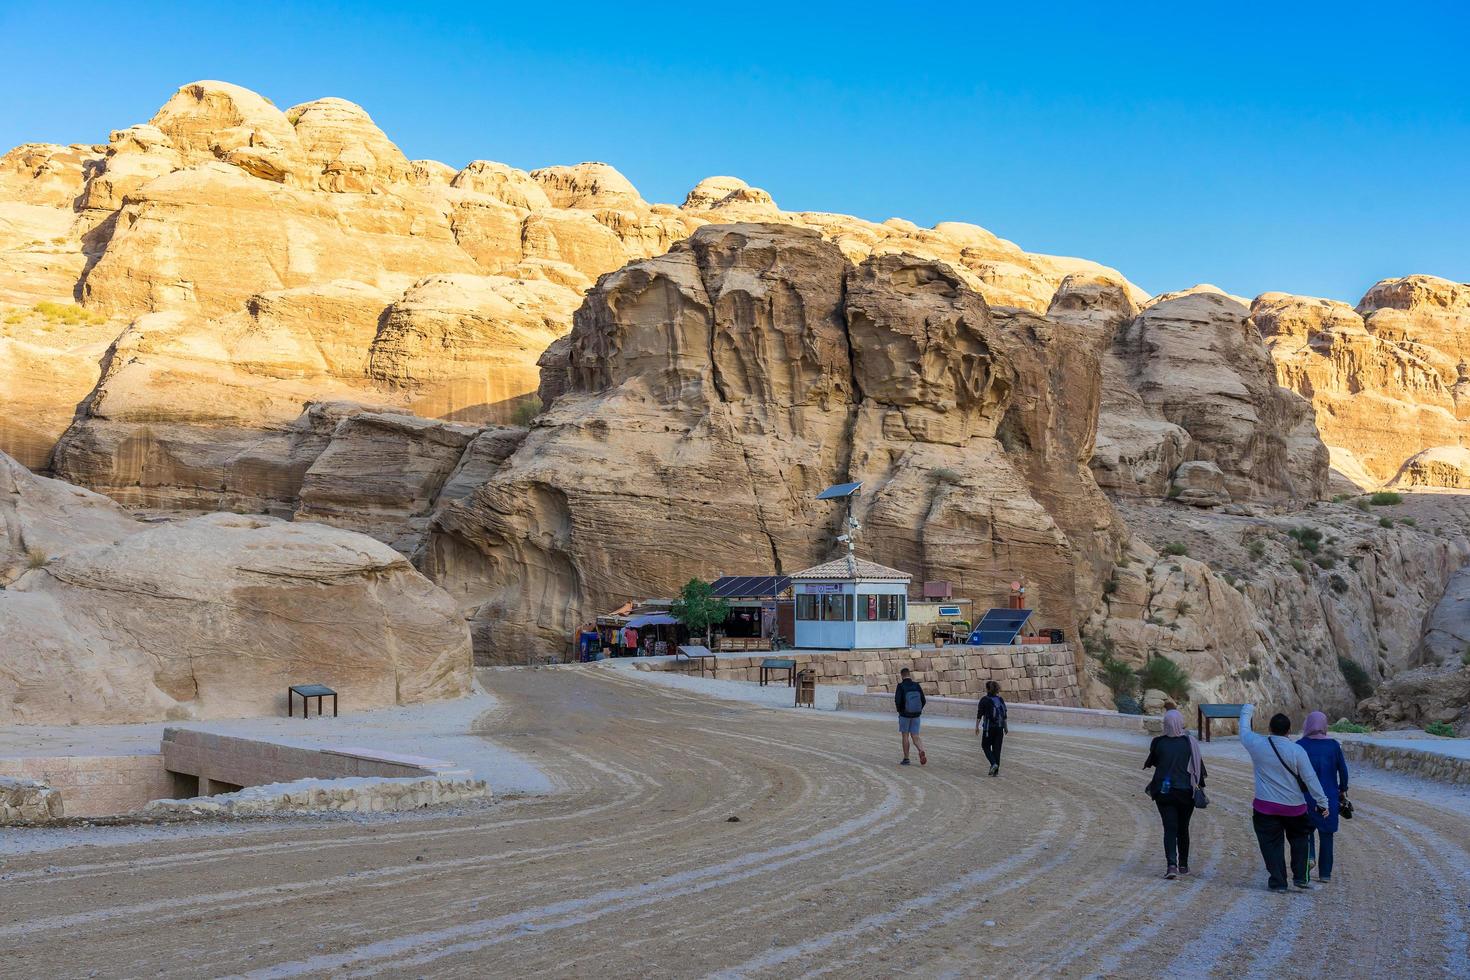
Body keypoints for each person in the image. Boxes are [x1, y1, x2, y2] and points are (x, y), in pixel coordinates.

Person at [1239, 704, 1329, 892]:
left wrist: (1247, 709)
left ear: (1270, 729)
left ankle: (1279, 882)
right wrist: (1322, 802)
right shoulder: (1297, 751)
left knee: (1271, 845)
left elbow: (1244, 730)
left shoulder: (1256, 744)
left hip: (1265, 808)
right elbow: (1310, 778)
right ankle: (1300, 878)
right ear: (1289, 731)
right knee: (1300, 841)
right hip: (1294, 808)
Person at [1143, 709, 1207, 879]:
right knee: (1183, 828)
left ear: (1166, 724)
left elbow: (1153, 762)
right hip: (1186, 793)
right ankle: (1184, 866)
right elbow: (1199, 769)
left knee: (1169, 828)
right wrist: (1201, 788)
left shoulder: (1158, 742)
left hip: (1164, 793)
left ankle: (1171, 866)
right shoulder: (1190, 742)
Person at [1298, 710, 1350, 882]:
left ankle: (1310, 856)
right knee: (1327, 835)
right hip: (1329, 797)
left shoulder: (1300, 745)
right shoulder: (1333, 745)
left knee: (1306, 830)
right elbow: (1343, 770)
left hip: (1305, 796)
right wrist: (1343, 789)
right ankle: (1325, 874)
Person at [894, 667, 927, 766]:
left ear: (902, 675)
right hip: (916, 714)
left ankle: (906, 758)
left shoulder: (901, 686)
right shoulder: (916, 685)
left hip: (905, 715)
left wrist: (900, 711)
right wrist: (918, 710)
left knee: (905, 736)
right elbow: (923, 700)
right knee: (915, 736)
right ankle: (921, 750)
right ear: (909, 674)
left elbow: (898, 701)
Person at [975, 680, 1008, 776]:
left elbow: (979, 714)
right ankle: (995, 772)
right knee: (997, 749)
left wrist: (977, 726)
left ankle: (993, 764)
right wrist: (1005, 727)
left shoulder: (984, 700)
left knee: (985, 746)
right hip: (999, 727)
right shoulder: (1000, 699)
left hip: (989, 728)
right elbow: (1004, 714)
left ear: (988, 689)